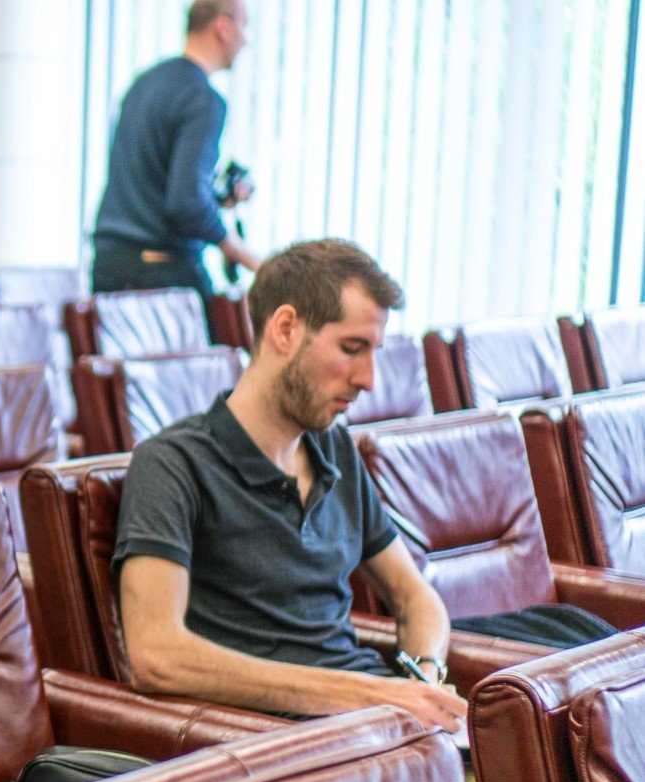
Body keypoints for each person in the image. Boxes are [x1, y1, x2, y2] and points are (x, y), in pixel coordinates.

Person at [113, 238, 467, 731]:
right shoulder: (172, 464)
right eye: (351, 348)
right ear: (285, 329)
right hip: (288, 752)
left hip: (379, 728)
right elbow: (157, 655)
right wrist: (367, 694)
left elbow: (415, 597)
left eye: (374, 351)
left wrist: (424, 677)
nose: (368, 379)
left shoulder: (335, 449)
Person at [91, 0, 262, 298]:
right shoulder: (203, 100)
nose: (246, 39)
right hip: (160, 274)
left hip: (109, 265)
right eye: (244, 26)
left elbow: (151, 183)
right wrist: (243, 252)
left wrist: (215, 200)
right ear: (222, 27)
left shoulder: (144, 83)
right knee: (223, 343)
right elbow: (186, 204)